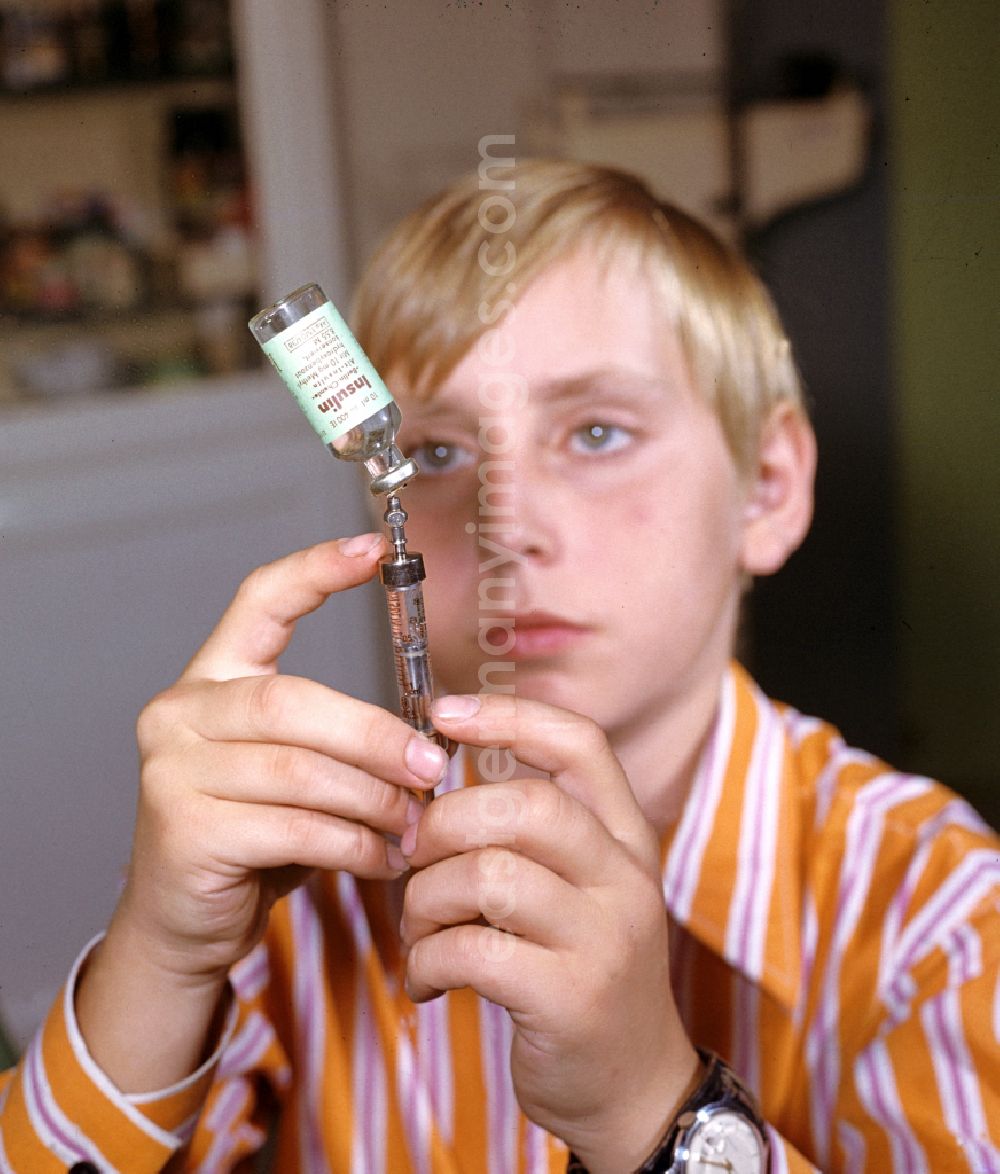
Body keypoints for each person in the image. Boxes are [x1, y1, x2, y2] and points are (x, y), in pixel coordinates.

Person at [1, 160, 997, 1173]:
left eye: (597, 433)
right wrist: (165, 960)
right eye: (435, 455)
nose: (506, 522)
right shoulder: (311, 890)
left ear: (768, 489)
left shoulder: (941, 923)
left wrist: (652, 1115)